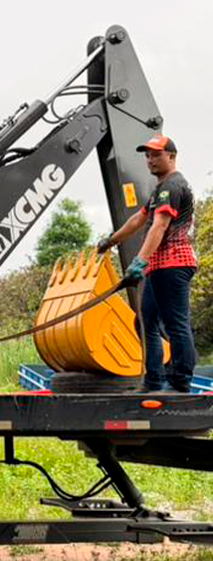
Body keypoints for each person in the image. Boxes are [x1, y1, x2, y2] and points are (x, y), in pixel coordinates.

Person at [98, 134, 197, 393]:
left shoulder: (173, 186)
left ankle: (179, 381)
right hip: (159, 266)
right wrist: (110, 241)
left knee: (176, 323)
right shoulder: (159, 189)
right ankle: (153, 381)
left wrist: (138, 262)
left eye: (156, 154)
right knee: (145, 322)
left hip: (174, 264)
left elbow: (159, 226)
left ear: (171, 156)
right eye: (148, 155)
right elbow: (137, 220)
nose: (150, 160)